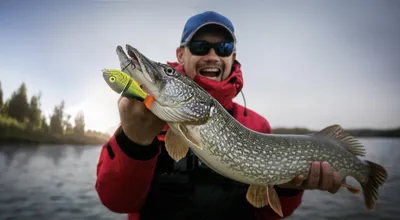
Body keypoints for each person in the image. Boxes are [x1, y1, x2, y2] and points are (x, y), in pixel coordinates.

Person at [95, 11, 342, 220]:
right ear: (181, 54)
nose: (212, 56)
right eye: (200, 47)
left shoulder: (256, 125)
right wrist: (134, 142)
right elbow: (116, 202)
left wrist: (287, 187)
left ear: (232, 57)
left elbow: (270, 214)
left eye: (223, 48)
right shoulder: (142, 119)